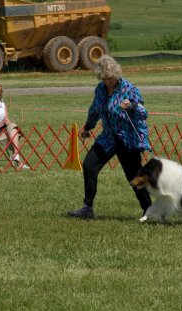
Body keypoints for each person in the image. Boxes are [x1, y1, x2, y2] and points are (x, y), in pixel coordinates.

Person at [68, 55, 152, 219]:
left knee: (134, 176)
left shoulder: (129, 89)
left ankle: (149, 210)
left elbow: (144, 113)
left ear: (117, 74)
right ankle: (87, 208)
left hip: (127, 139)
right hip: (108, 138)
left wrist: (132, 105)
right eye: (104, 79)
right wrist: (87, 127)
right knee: (89, 166)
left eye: (111, 78)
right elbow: (95, 110)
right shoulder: (100, 89)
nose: (108, 82)